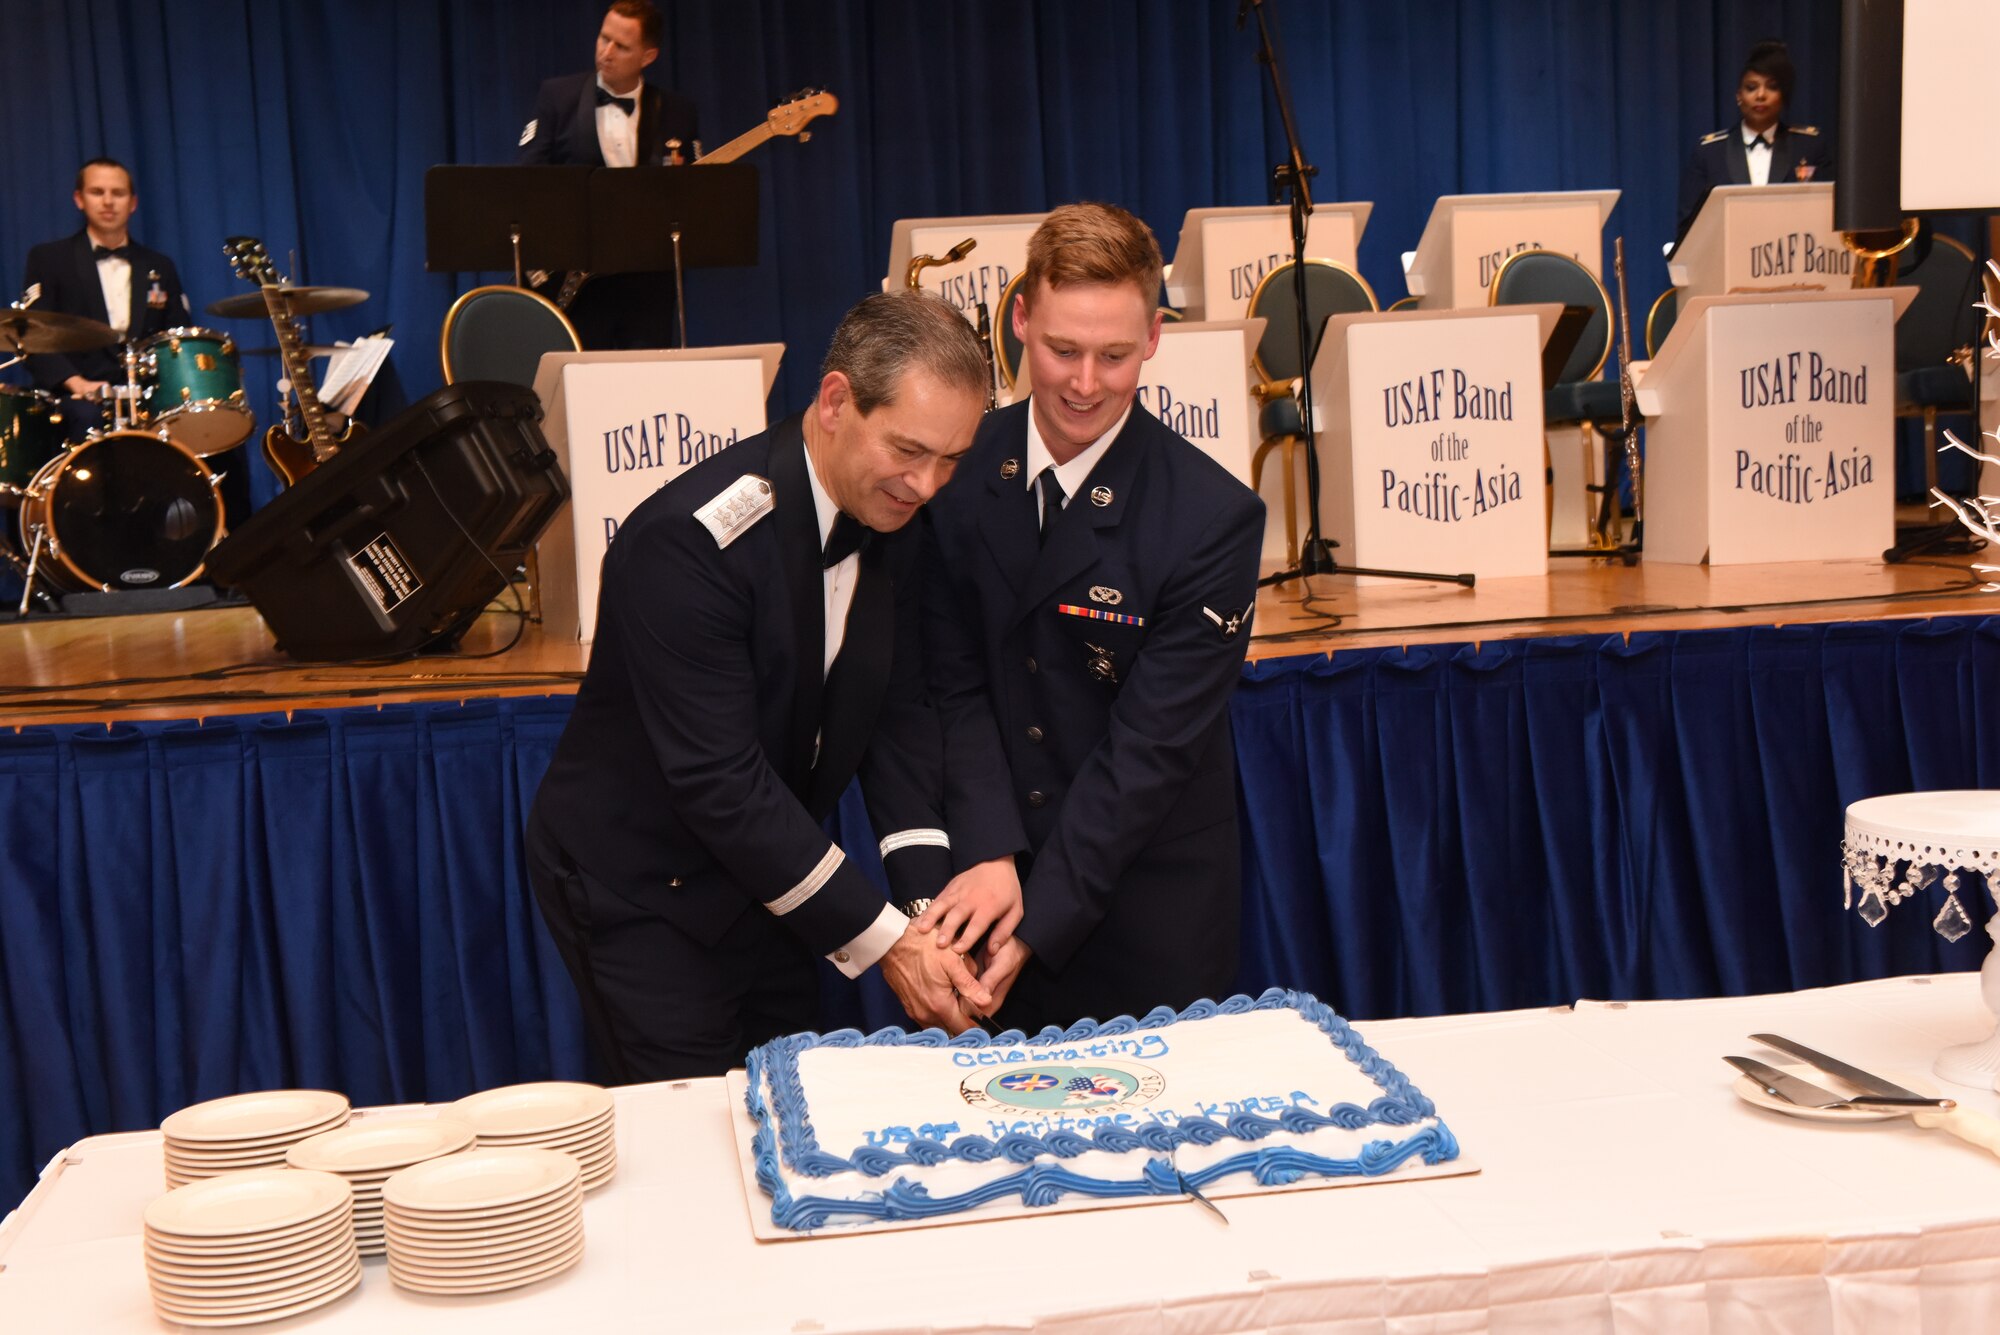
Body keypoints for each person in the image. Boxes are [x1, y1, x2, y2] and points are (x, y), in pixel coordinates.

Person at [526, 290, 997, 1082]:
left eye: (951, 459)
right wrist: (890, 944)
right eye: (910, 450)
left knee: (788, 1098)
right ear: (836, 400)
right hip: (644, 885)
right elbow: (721, 784)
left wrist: (930, 919)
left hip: (771, 874)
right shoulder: (686, 545)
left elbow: (900, 717)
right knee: (692, 1122)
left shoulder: (893, 518)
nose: (926, 485)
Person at [915, 203, 1265, 1032]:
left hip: (1150, 920)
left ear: (1153, 339)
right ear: (1021, 320)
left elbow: (1147, 755)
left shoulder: (1214, 517)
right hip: (987, 888)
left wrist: (1034, 924)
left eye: (1113, 356)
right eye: (1061, 349)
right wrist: (993, 851)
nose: (1082, 382)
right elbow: (950, 686)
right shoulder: (955, 474)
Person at [516, 0, 699, 350]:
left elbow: (695, 197)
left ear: (648, 56)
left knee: (646, 391)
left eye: (622, 46)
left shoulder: (678, 111)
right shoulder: (558, 96)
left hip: (647, 286)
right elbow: (528, 181)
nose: (607, 52)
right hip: (577, 282)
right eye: (604, 38)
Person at [22, 158, 191, 439]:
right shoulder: (49, 259)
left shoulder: (160, 265)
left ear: (133, 203)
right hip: (78, 395)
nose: (108, 201)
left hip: (146, 395)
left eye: (118, 193)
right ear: (79, 199)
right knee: (87, 417)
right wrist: (78, 385)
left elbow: (177, 337)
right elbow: (33, 337)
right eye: (97, 192)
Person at [1675, 39, 1835, 244]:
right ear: (1739, 96)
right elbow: (1688, 229)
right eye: (1751, 87)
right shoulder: (1709, 152)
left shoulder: (1810, 146)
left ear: (1783, 96)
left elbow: (1827, 218)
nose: (1761, 95)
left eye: (1772, 87)